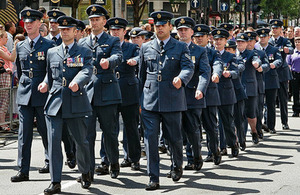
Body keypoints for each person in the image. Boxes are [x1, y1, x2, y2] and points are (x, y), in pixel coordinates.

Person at [139, 11, 194, 190]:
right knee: (150, 139)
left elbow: (188, 68)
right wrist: (141, 102)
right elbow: (141, 76)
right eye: (157, 26)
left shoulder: (180, 47)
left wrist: (181, 78)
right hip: (150, 101)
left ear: (170, 27)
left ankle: (176, 164)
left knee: (174, 138)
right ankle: (153, 177)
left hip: (172, 98)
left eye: (163, 25)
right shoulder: (146, 47)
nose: (160, 28)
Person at [38, 15, 93, 194]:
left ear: (75, 31)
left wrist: (77, 81)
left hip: (75, 101)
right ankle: (55, 181)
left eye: (68, 29)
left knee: (81, 142)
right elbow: (49, 73)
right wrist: (45, 83)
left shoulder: (83, 50)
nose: (64, 32)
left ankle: (85, 171)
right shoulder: (52, 52)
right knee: (54, 144)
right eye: (62, 30)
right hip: (54, 102)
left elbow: (87, 70)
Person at [78, 4, 123, 179]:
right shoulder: (82, 42)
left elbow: (118, 56)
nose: (94, 22)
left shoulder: (112, 40)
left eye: (97, 19)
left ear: (104, 21)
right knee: (86, 135)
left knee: (110, 132)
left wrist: (109, 62)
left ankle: (113, 162)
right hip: (86, 93)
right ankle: (87, 170)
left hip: (107, 91)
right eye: (92, 20)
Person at [11, 9, 55, 182]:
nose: (28, 25)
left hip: (42, 94)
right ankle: (23, 170)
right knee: (24, 134)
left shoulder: (49, 45)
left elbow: (52, 70)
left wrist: (47, 83)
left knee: (46, 132)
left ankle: (51, 162)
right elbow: (21, 71)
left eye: (31, 22)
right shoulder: (20, 45)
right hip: (24, 94)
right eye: (26, 23)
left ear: (39, 24)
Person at [175, 17, 210, 171]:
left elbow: (204, 72)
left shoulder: (200, 51)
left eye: (185, 30)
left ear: (191, 32)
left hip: (193, 94)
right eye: (180, 30)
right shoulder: (171, 48)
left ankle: (195, 156)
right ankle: (176, 164)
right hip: (174, 94)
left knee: (192, 129)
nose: (183, 32)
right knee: (174, 131)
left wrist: (201, 89)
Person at [107, 17, 141, 170]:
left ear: (124, 31)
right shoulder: (106, 46)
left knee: (131, 127)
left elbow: (141, 55)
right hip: (110, 89)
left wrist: (135, 60)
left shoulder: (131, 47)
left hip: (128, 90)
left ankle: (133, 158)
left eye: (118, 30)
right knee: (109, 127)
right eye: (113, 30)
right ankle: (108, 159)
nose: (115, 32)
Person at [192, 24, 223, 164]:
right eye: (196, 37)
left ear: (207, 37)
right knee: (194, 126)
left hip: (209, 92)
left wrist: (216, 73)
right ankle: (194, 156)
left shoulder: (212, 52)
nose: (199, 39)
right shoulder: (188, 51)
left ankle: (214, 150)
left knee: (210, 125)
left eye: (201, 36)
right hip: (194, 93)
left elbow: (217, 64)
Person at [212, 28, 239, 157]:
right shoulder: (209, 54)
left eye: (220, 40)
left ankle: (232, 143)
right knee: (213, 123)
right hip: (212, 91)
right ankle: (218, 148)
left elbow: (236, 71)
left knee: (227, 122)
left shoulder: (230, 56)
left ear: (226, 41)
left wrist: (229, 73)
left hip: (225, 92)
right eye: (216, 39)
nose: (218, 42)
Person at [236, 33, 262, 144]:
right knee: (238, 115)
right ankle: (241, 138)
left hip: (249, 87)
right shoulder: (233, 54)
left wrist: (257, 63)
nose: (240, 44)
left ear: (247, 43)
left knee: (251, 114)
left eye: (242, 42)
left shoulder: (252, 53)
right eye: (238, 42)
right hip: (237, 88)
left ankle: (254, 131)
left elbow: (257, 59)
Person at [256, 28, 282, 134]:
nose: (262, 39)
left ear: (268, 37)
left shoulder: (274, 49)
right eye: (261, 37)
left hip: (271, 80)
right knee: (258, 106)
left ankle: (271, 126)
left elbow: (279, 60)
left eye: (264, 37)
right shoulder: (255, 50)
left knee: (271, 105)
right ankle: (259, 127)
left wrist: (274, 64)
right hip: (258, 81)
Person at [269, 19, 293, 129]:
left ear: (280, 29)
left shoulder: (284, 41)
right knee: (270, 100)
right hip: (271, 73)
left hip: (282, 73)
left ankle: (284, 122)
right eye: (273, 28)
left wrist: (288, 49)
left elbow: (291, 48)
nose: (274, 30)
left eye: (276, 28)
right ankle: (269, 123)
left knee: (283, 99)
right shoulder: (269, 42)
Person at [246, 31, 270, 139]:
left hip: (258, 84)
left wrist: (262, 68)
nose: (249, 43)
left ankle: (258, 129)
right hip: (245, 85)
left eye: (251, 40)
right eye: (247, 40)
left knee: (258, 109)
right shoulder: (241, 53)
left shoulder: (260, 53)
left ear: (255, 41)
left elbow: (266, 64)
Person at [224, 40, 248, 149]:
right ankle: (229, 142)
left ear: (234, 50)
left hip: (237, 92)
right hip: (226, 92)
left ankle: (242, 139)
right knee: (226, 120)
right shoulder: (220, 59)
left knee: (239, 119)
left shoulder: (238, 59)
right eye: (226, 49)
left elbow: (241, 68)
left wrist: (231, 70)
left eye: (230, 49)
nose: (228, 51)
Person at [0, 31, 18, 131]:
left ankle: (4, 121)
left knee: (6, 100)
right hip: (3, 75)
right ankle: (2, 123)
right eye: (5, 37)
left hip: (8, 74)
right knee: (3, 100)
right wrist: (15, 47)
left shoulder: (4, 48)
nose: (7, 39)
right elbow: (11, 58)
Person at [287, 37, 300, 116]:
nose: (298, 43)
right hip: (294, 74)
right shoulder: (292, 53)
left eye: (299, 42)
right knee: (295, 93)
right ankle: (296, 110)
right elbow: (289, 64)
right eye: (296, 42)